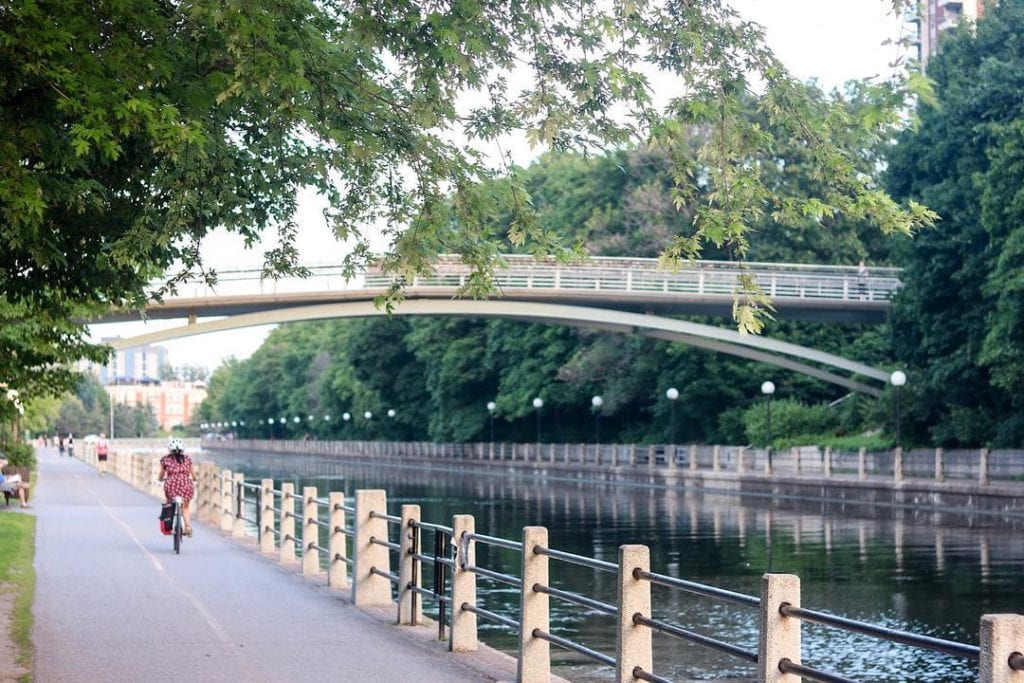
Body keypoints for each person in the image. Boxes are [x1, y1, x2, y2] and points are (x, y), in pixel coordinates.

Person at [158, 438, 196, 536]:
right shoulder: (188, 459)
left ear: (170, 449)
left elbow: (161, 475)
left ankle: (167, 522)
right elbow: (193, 475)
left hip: (171, 485)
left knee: (169, 502)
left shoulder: (165, 459)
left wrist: (160, 479)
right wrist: (195, 479)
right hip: (186, 485)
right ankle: (187, 526)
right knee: (186, 507)